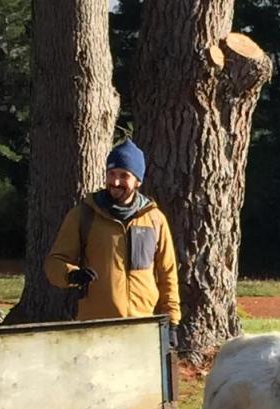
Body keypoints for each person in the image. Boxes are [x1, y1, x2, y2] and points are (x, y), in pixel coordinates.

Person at [43, 139, 181, 329]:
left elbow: (167, 274)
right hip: (96, 326)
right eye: (111, 174)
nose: (115, 182)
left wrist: (172, 321)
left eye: (124, 175)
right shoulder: (83, 215)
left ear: (138, 181)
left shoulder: (155, 219)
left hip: (142, 326)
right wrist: (72, 275)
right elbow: (54, 262)